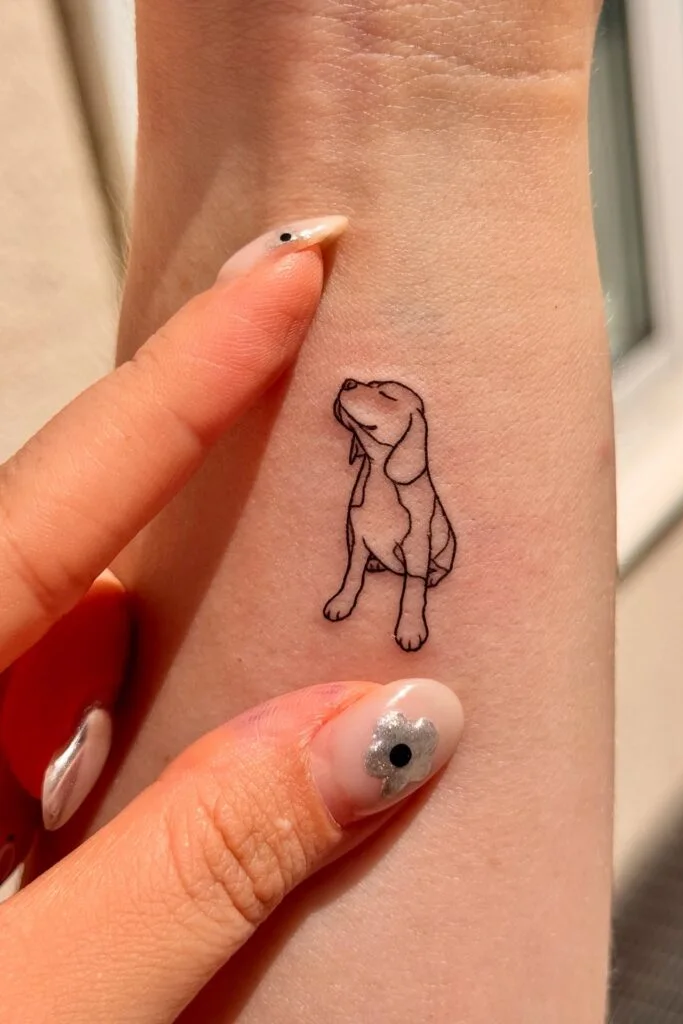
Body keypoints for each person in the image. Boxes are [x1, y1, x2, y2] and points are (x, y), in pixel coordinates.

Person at [3, 0, 614, 1021]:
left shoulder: (415, 487)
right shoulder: (369, 472)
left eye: (380, 405)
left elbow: (415, 550)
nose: (360, 405)